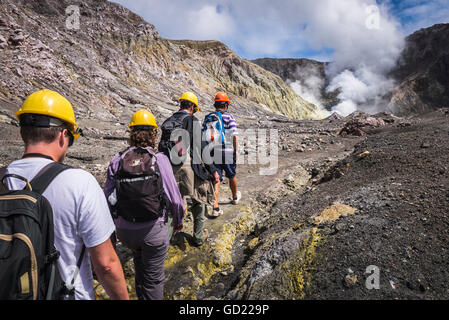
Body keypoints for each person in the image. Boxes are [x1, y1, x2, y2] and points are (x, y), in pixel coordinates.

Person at [5, 89, 129, 300]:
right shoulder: (80, 183)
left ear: (23, 132)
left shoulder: (3, 178)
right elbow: (106, 265)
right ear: (64, 136)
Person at [104, 109, 184, 300]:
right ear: (153, 134)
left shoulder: (118, 160)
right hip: (153, 231)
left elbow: (106, 196)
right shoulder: (160, 160)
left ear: (131, 133)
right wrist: (178, 221)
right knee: (153, 280)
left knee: (140, 264)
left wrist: (110, 231)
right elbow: (175, 198)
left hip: (125, 232)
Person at [158, 92, 220, 247]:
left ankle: (169, 237)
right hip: (188, 165)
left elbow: (161, 147)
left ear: (180, 104)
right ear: (192, 106)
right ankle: (198, 236)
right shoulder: (192, 120)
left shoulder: (169, 121)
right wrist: (212, 170)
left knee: (172, 201)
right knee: (199, 199)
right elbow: (202, 146)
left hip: (168, 167)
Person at [206, 92, 241, 217]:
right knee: (231, 175)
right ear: (226, 105)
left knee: (216, 179)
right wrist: (236, 151)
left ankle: (215, 208)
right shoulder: (229, 117)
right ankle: (235, 197)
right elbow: (235, 136)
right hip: (227, 152)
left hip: (213, 151)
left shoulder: (209, 117)